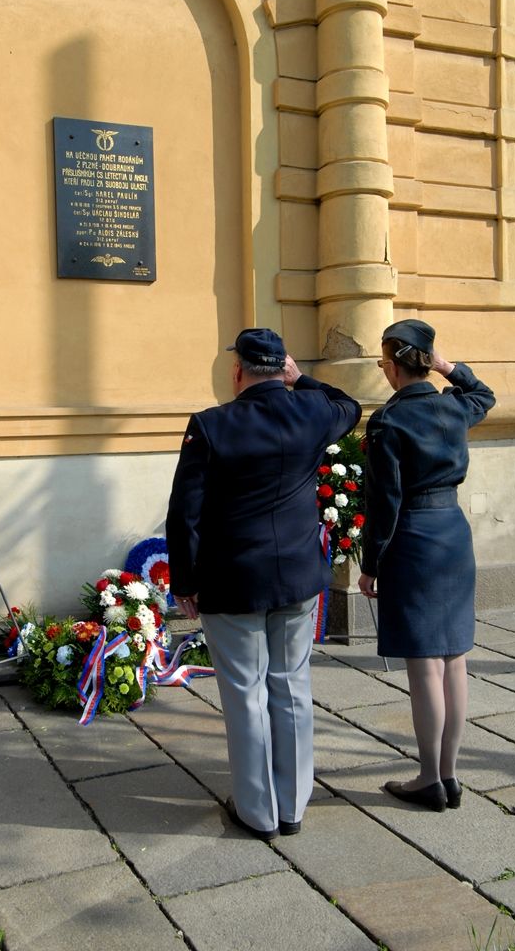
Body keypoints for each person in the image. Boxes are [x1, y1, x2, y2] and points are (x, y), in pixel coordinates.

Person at [166, 328, 361, 839]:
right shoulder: (313, 411)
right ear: (283, 368)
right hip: (297, 578)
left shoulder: (211, 425)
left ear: (237, 372)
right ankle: (292, 806)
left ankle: (257, 811)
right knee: (291, 687)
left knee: (244, 693)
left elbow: (184, 513)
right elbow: (349, 404)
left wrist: (184, 580)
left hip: (232, 582)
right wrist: (303, 380)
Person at [358, 320, 495, 812]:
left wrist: (371, 564)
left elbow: (384, 501)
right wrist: (446, 366)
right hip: (453, 535)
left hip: (413, 539)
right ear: (426, 362)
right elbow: (485, 393)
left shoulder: (388, 422)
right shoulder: (455, 406)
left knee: (424, 666)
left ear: (392, 366)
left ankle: (427, 778)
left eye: (383, 363)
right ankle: (450, 776)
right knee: (454, 658)